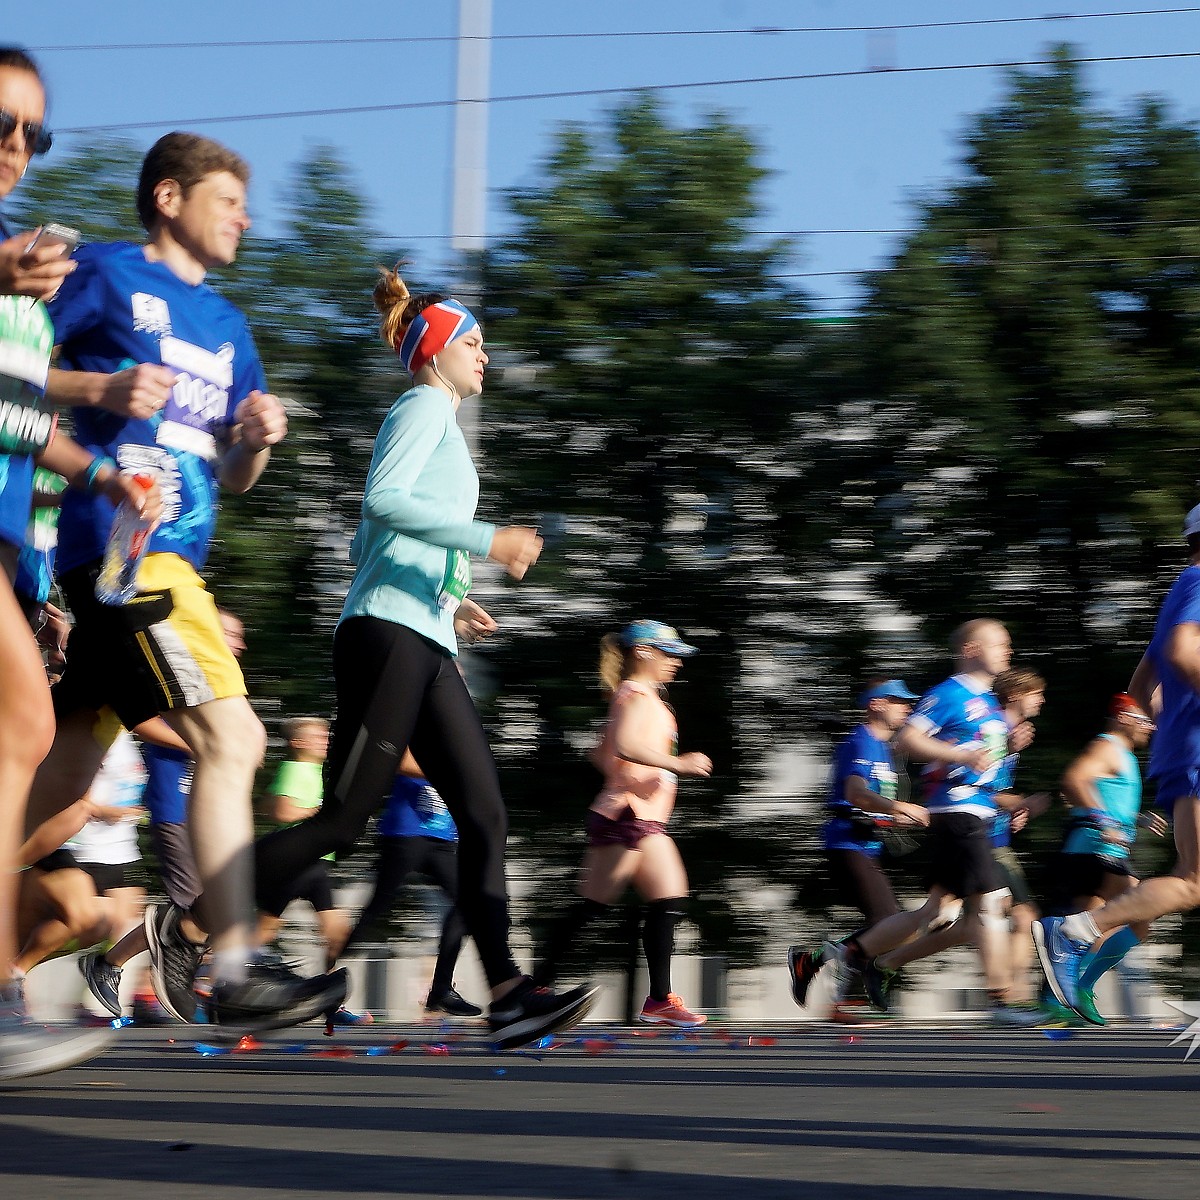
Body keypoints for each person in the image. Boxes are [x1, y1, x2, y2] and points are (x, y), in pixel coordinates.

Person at [231, 268, 597, 1050]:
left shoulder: (442, 419)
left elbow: (379, 542)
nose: (485, 357)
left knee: (485, 814)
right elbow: (383, 502)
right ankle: (208, 923)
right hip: (384, 636)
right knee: (345, 816)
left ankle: (508, 995)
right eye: (474, 343)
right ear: (435, 352)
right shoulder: (424, 403)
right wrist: (487, 540)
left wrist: (452, 594)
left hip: (424, 636)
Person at [28, 130, 344, 1031]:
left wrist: (253, 442)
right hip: (128, 550)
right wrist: (99, 390)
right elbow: (18, 371)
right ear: (169, 198)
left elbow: (236, 479)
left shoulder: (230, 328)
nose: (245, 216)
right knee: (235, 739)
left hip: (165, 563)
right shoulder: (105, 275)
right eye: (228, 200)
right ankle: (234, 960)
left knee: (62, 779)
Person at [0, 45, 155, 1078]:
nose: (16, 148)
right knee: (28, 726)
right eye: (0, 126)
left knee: (62, 892)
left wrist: (99, 474)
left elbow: (11, 414)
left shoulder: (20, 266)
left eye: (31, 133)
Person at [850, 620, 1041, 1025]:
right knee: (991, 904)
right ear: (972, 649)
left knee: (937, 913)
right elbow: (909, 741)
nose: (1009, 651)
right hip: (958, 814)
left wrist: (1008, 748)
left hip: (979, 816)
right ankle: (1001, 1001)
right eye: (1000, 645)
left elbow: (984, 765)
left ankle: (855, 957)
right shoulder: (948, 693)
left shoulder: (990, 702)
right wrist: (962, 757)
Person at [532, 620, 714, 1027]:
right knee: (595, 906)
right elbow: (625, 746)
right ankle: (535, 987)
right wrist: (676, 765)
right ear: (644, 652)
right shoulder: (635, 695)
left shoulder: (639, 696)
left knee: (665, 900)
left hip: (639, 816)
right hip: (628, 817)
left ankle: (657, 1000)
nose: (677, 663)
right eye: (670, 654)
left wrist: (630, 773)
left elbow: (601, 754)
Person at [786, 679, 928, 1011]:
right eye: (899, 701)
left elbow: (871, 805)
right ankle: (826, 978)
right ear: (877, 704)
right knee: (888, 922)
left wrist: (895, 819)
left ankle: (815, 965)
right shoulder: (862, 740)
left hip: (866, 844)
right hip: (847, 843)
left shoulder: (883, 748)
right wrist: (901, 808)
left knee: (890, 927)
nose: (907, 707)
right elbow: (855, 795)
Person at [339, 751, 481, 1019]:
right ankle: (321, 981)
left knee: (470, 902)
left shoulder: (456, 735)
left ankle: (441, 989)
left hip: (441, 836)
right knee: (375, 910)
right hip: (405, 833)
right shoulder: (419, 725)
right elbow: (400, 762)